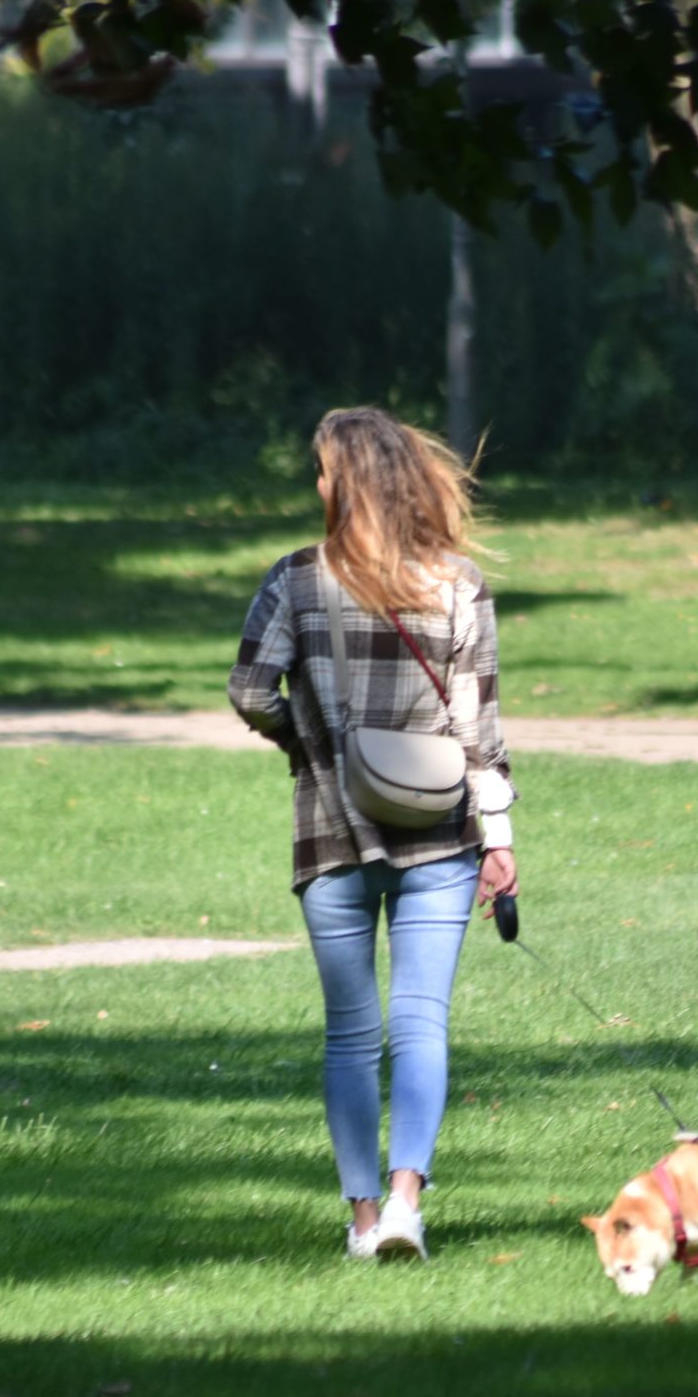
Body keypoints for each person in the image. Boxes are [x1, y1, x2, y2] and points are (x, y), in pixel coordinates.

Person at [228, 407, 520, 1262]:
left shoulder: (295, 580)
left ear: (345, 483)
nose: (316, 483)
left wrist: (307, 740)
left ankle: (362, 1224)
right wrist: (499, 839)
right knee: (421, 1022)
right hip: (444, 835)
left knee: (352, 1032)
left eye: (322, 470)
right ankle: (406, 1208)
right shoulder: (460, 583)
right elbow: (482, 732)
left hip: (333, 835)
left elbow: (250, 690)